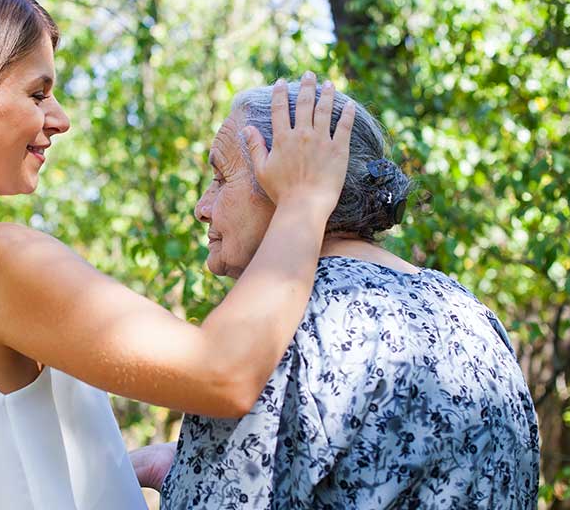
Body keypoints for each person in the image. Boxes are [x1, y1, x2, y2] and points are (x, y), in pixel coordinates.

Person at [0, 0, 356, 509]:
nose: (61, 119)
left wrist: (129, 470)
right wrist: (304, 202)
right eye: (38, 93)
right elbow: (224, 373)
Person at [158, 80, 540, 509]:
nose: (202, 207)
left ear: (289, 176)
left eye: (220, 177)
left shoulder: (279, 322)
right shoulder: (471, 313)